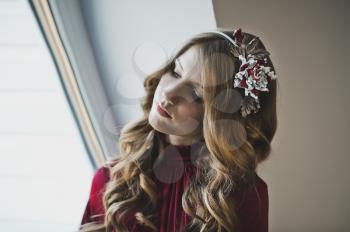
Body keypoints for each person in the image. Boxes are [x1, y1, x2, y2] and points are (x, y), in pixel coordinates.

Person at [79, 28, 278, 232]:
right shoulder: (112, 179)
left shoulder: (243, 198)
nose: (168, 93)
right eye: (175, 71)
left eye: (195, 93)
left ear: (223, 121)